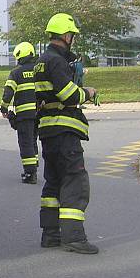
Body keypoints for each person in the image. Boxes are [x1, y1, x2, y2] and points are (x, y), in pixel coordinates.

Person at [34, 13, 99, 254]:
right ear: (66, 35)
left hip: (49, 131)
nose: (73, 39)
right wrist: (88, 93)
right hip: (64, 130)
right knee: (75, 181)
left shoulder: (42, 60)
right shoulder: (56, 61)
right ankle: (74, 237)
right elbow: (69, 95)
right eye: (72, 35)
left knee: (54, 182)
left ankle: (50, 234)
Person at [0, 42, 39, 184]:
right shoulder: (38, 70)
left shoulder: (16, 73)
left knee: (25, 142)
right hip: (39, 113)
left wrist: (4, 108)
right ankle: (34, 165)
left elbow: (8, 91)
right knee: (33, 140)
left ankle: (30, 174)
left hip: (24, 115)